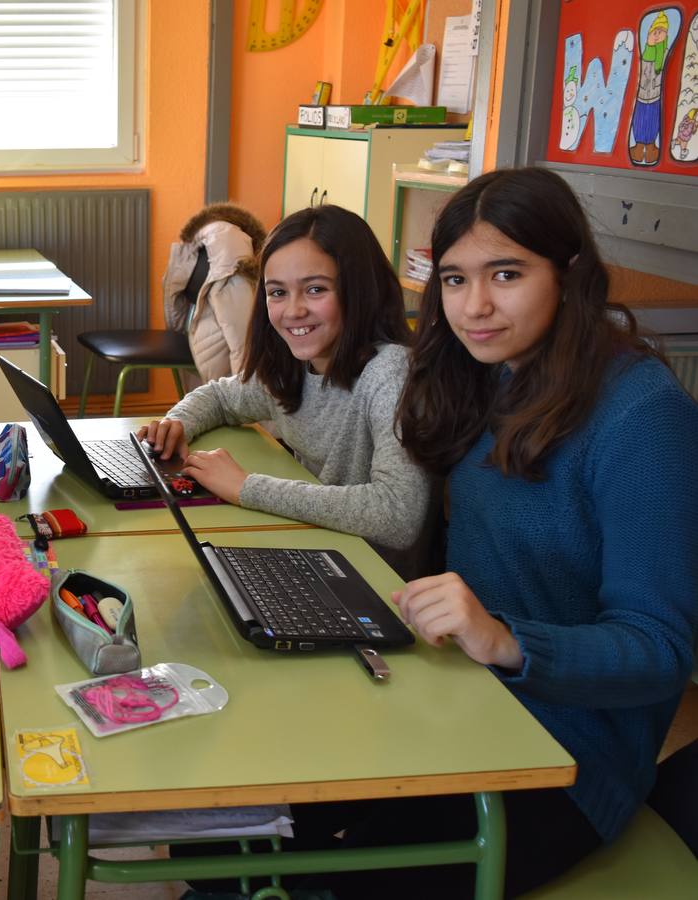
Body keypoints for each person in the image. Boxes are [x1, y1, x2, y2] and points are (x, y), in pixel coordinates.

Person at [296, 167, 698, 898]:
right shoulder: (482, 374)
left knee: (339, 879)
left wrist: (507, 639)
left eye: (505, 274)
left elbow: (660, 649)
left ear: (569, 275)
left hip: (566, 756)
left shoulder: (643, 416)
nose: (474, 306)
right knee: (272, 811)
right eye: (454, 280)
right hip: (453, 695)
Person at [140, 204, 436, 578]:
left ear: (360, 291)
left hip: (377, 580)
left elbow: (396, 514)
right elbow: (221, 397)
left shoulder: (391, 373)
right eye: (277, 292)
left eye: (315, 289)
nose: (293, 310)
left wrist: (247, 487)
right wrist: (178, 422)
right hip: (319, 550)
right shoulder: (295, 366)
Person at [162, 203, 267, 382]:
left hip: (197, 340)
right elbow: (241, 337)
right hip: (220, 360)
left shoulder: (199, 238)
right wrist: (243, 390)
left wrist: (177, 330)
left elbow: (172, 299)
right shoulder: (234, 249)